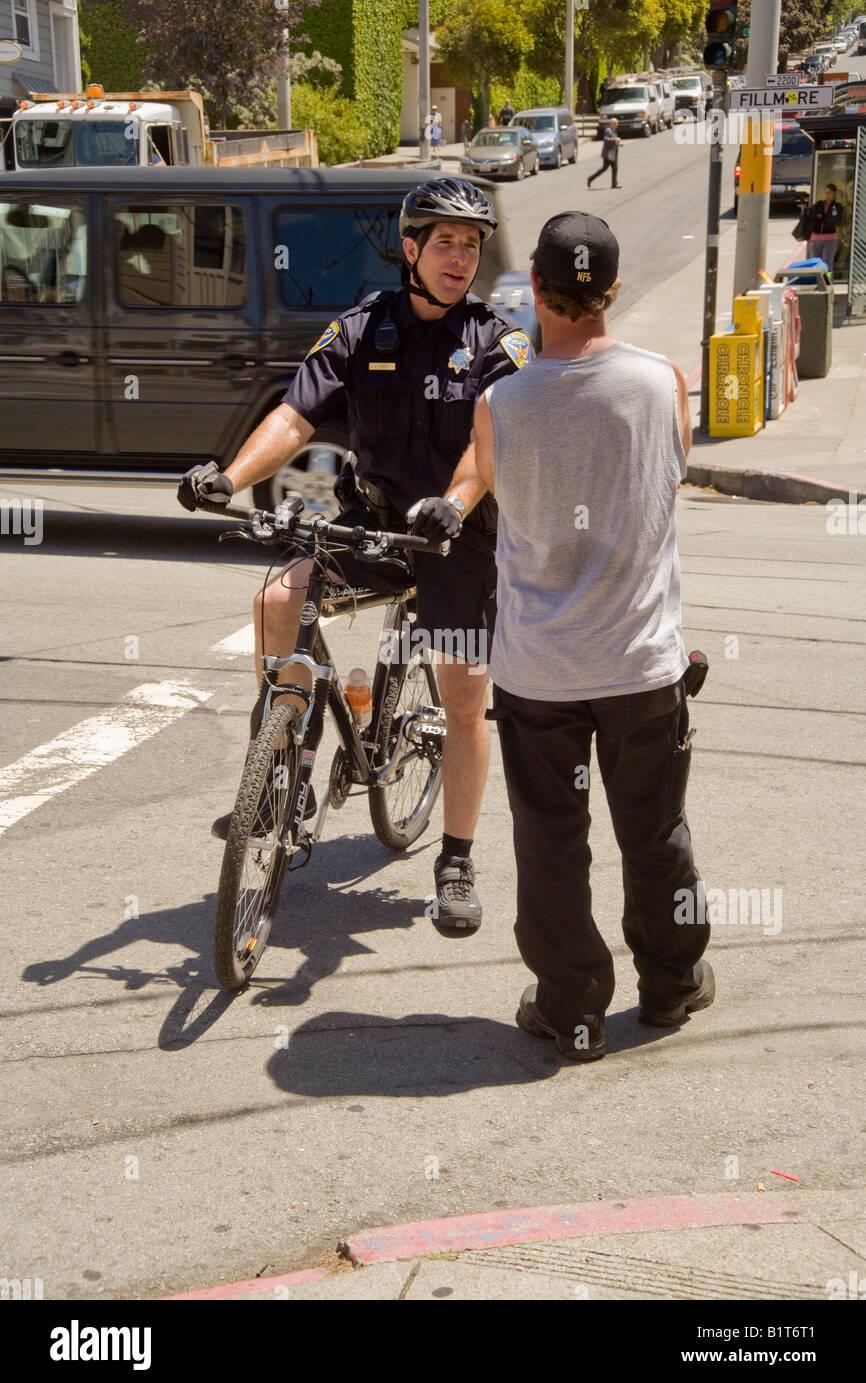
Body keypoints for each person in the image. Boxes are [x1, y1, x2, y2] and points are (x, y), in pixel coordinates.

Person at [178, 179, 533, 932]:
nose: (460, 257)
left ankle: (457, 858)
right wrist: (230, 477)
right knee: (279, 600)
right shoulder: (362, 328)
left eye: (471, 244)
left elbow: (488, 446)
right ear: (411, 249)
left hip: (456, 536)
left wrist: (456, 503)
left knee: (465, 701)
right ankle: (286, 771)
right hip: (369, 524)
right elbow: (297, 413)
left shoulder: (496, 343)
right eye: (445, 242)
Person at [448, 211, 712, 1061]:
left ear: (537, 290)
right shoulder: (663, 383)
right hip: (641, 665)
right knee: (655, 832)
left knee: (552, 842)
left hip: (540, 675)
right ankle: (671, 986)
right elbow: (670, 473)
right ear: (614, 290)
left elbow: (487, 491)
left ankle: (571, 1009)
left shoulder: (500, 404)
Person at [806, 182, 844, 276]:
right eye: (826, 193)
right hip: (815, 239)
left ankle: (828, 283)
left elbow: (835, 219)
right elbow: (809, 214)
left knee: (827, 264)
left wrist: (822, 217)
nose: (827, 195)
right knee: (815, 264)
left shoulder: (837, 206)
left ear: (834, 194)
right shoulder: (819, 204)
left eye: (829, 193)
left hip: (830, 240)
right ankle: (816, 284)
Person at [587, 117, 622, 188]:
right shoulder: (608, 130)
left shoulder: (613, 131)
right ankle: (590, 178)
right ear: (612, 124)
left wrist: (618, 143)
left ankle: (614, 184)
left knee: (615, 168)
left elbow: (613, 141)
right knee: (604, 169)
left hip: (613, 154)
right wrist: (615, 139)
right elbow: (606, 139)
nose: (617, 125)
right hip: (608, 155)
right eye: (616, 124)